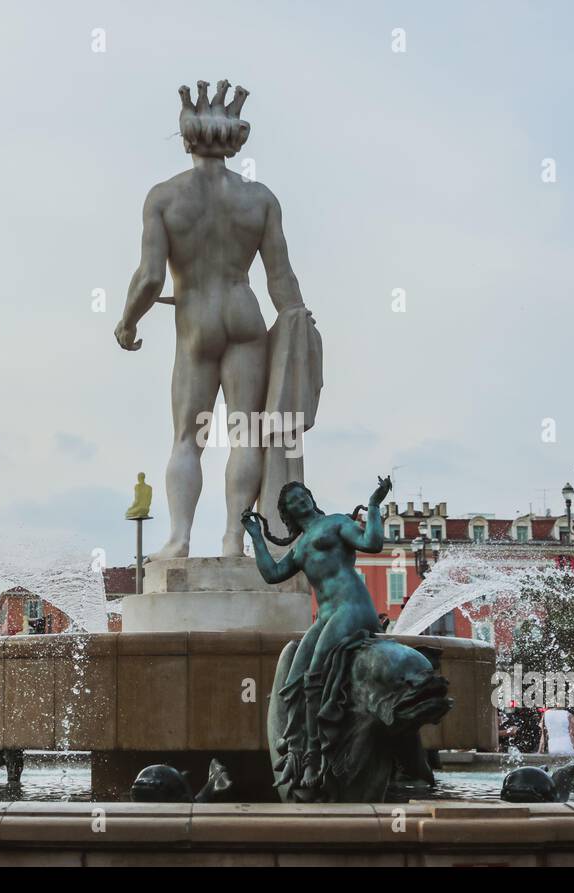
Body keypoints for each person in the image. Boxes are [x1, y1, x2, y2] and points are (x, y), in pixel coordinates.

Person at [115, 80, 316, 559]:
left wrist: (127, 322)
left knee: (188, 437)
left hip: (196, 322)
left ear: (187, 140)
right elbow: (281, 279)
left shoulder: (164, 198)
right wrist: (299, 330)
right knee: (246, 433)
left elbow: (148, 277)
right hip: (244, 315)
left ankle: (179, 540)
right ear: (235, 141)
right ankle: (233, 541)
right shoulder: (260, 199)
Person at [242, 476, 390, 793]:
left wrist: (375, 506)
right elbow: (272, 574)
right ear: (288, 514)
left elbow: (372, 543)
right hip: (326, 616)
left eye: (302, 495)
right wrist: (255, 536)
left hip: (352, 606)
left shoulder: (337, 523)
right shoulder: (300, 548)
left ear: (311, 497)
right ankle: (294, 748)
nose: (299, 501)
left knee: (313, 676)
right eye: (292, 501)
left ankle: (314, 756)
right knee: (294, 681)